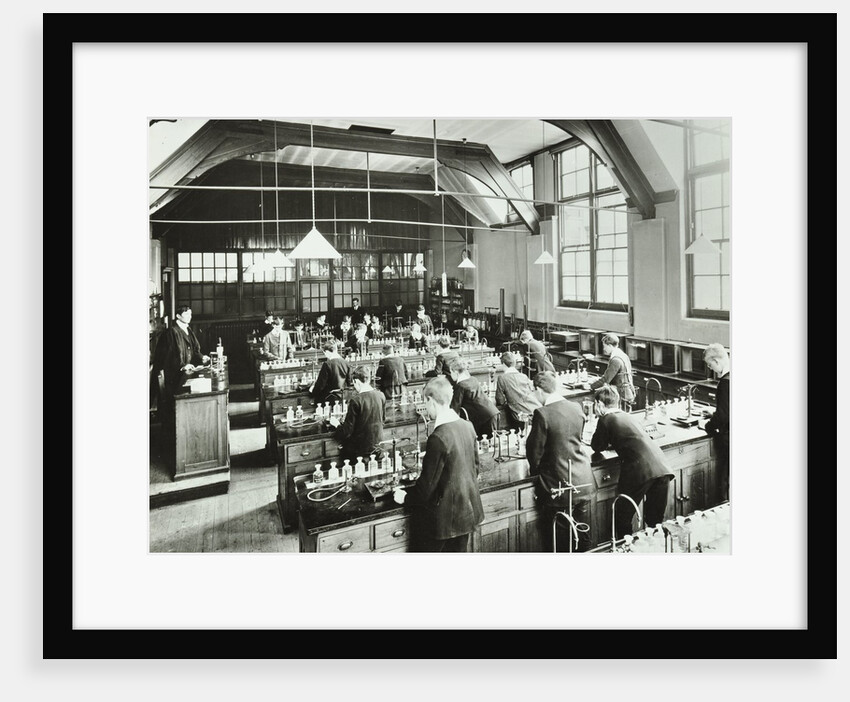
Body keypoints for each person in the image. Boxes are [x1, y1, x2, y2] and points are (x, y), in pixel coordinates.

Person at [392, 376, 484, 553]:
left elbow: (426, 490)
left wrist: (404, 497)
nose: (425, 409)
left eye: (425, 403)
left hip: (442, 523)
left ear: (430, 400)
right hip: (466, 514)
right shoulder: (467, 426)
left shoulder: (438, 438)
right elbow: (475, 469)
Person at [590, 384, 675, 539]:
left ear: (599, 404)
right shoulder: (628, 416)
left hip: (639, 471)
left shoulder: (605, 419)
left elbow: (596, 446)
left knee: (622, 516)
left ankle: (626, 550)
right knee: (655, 520)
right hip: (662, 468)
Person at [525, 370, 596, 552]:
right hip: (583, 479)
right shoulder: (576, 407)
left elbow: (534, 452)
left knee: (560, 539)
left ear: (539, 390)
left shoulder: (542, 413)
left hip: (559, 484)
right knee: (581, 534)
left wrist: (535, 472)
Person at [328, 365, 386, 465]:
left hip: (360, 452)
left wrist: (336, 424)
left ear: (356, 381)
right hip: (378, 447)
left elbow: (347, 431)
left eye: (354, 384)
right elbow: (383, 420)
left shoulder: (356, 400)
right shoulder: (381, 395)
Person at [152, 305, 210, 398]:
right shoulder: (171, 332)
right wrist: (182, 366)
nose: (189, 316)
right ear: (178, 316)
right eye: (186, 314)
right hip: (175, 375)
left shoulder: (187, 329)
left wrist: (201, 357)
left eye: (190, 314)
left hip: (186, 371)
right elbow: (169, 356)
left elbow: (194, 349)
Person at [448, 356, 500, 440]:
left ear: (456, 372)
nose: (450, 375)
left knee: (484, 446)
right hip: (492, 413)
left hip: (483, 419)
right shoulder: (473, 379)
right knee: (493, 445)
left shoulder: (460, 386)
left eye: (451, 372)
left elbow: (454, 408)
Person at [703, 343, 730, 502]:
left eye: (710, 364)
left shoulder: (725, 383)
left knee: (726, 479)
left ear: (717, 361)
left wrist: (708, 426)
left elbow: (723, 416)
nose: (709, 368)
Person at [495, 351, 542, 430]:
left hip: (520, 414)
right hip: (536, 409)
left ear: (503, 364)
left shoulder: (502, 378)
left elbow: (500, 400)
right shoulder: (523, 376)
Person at [588, 333, 636, 410]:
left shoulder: (616, 360)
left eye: (605, 346)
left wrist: (590, 386)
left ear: (610, 346)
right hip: (626, 393)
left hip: (621, 396)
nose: (604, 349)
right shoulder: (623, 355)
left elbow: (606, 380)